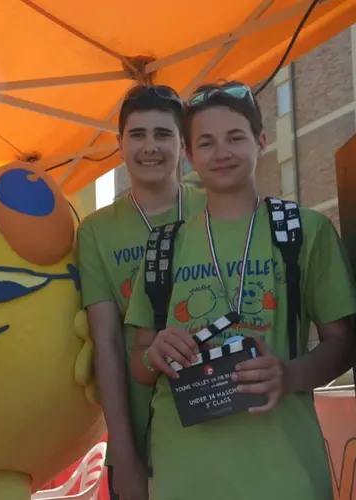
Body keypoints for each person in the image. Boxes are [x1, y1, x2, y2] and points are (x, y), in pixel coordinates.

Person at [125, 80, 356, 500]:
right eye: (207, 142)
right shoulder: (163, 246)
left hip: (284, 471)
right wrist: (153, 352)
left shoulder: (304, 231)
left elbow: (343, 343)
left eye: (235, 137)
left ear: (260, 141)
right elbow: (140, 364)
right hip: (184, 474)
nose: (223, 152)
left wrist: (289, 375)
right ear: (190, 155)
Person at [77, 84, 206, 500]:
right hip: (141, 436)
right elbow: (108, 344)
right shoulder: (96, 231)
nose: (150, 147)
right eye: (138, 135)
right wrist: (125, 454)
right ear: (119, 145)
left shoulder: (213, 207)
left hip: (219, 421)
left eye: (163, 134)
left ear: (183, 145)